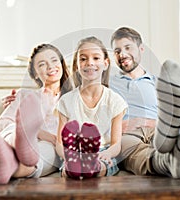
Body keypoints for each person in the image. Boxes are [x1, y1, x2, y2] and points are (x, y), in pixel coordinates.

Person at [110, 27, 180, 178]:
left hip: (159, 128)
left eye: (127, 48)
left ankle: (176, 144)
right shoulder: (108, 83)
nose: (122, 54)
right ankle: (172, 160)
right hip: (127, 134)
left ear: (141, 49)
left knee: (169, 132)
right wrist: (115, 128)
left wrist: (152, 123)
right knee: (133, 152)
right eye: (117, 51)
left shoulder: (158, 83)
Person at [0, 43, 73, 184]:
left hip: (51, 146)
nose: (50, 66)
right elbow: (3, 123)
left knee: (40, 152)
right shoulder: (25, 95)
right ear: (35, 73)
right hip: (13, 141)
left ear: (62, 64)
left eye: (54, 60)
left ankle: (3, 164)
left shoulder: (74, 99)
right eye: (42, 64)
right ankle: (21, 138)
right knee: (9, 133)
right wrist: (37, 133)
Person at [55, 36, 128, 179]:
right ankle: (74, 165)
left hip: (102, 151)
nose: (89, 63)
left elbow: (116, 145)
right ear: (76, 66)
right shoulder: (66, 101)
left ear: (106, 63)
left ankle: (91, 165)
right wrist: (69, 155)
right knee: (66, 169)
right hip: (73, 152)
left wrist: (106, 154)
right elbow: (59, 144)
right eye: (83, 59)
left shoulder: (115, 101)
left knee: (102, 165)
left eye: (95, 58)